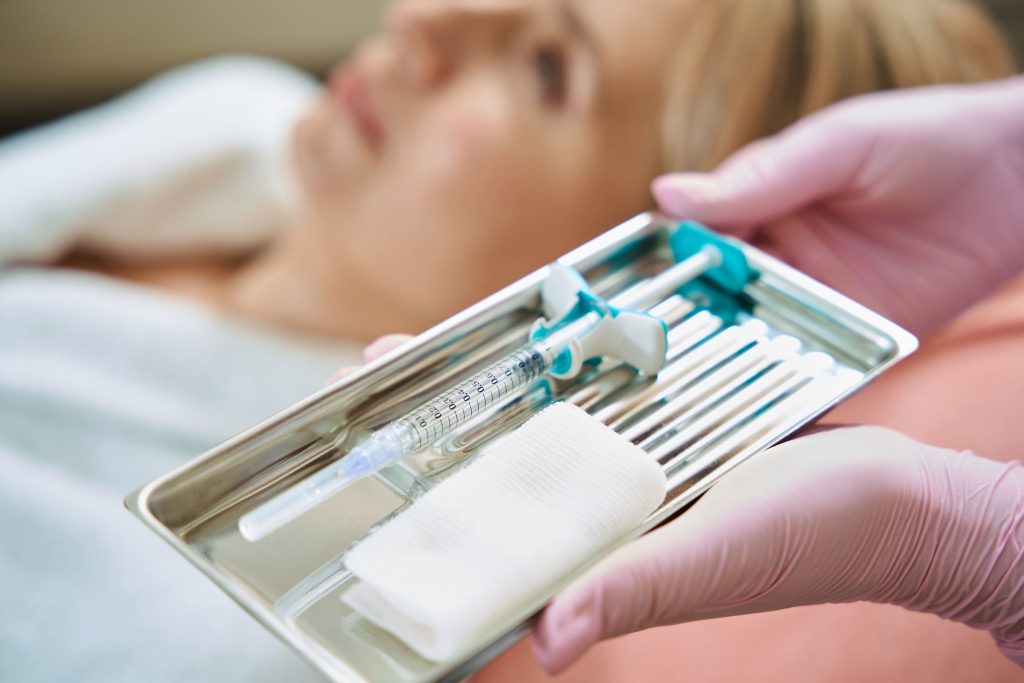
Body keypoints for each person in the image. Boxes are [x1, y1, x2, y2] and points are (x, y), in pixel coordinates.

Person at [0, 0, 1016, 681]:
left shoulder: (241, 601)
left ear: (622, 257)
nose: (427, 21)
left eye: (545, 65)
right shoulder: (230, 114)